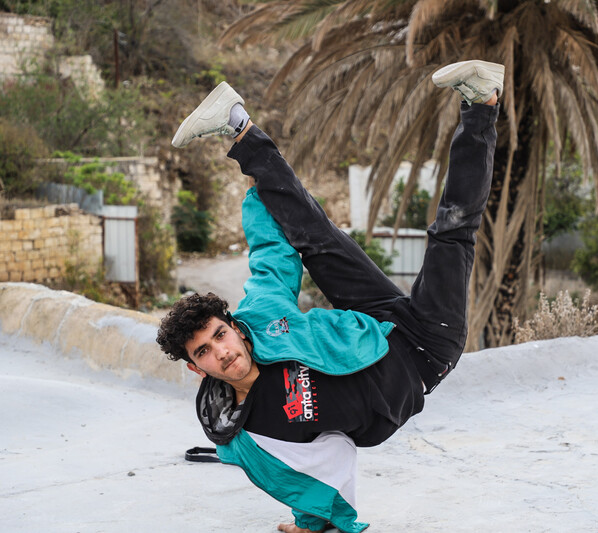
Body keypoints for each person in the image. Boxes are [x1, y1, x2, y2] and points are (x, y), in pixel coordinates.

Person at [156, 60, 504, 533]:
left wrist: (262, 195)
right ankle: (482, 103)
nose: (224, 351)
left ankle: (237, 124)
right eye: (205, 352)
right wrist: (313, 522)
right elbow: (303, 470)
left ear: (233, 327)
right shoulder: (240, 434)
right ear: (196, 368)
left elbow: (271, 258)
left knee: (314, 237)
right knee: (452, 232)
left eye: (220, 335)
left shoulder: (258, 320)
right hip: (424, 351)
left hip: (372, 322)